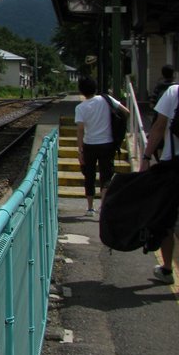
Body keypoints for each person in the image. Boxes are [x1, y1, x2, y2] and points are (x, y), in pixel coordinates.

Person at [138, 81, 178, 285]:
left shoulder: (174, 91)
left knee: (166, 220)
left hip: (172, 166)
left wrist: (145, 158)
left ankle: (167, 269)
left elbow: (158, 127)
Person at [74, 75, 130, 217]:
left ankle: (90, 208)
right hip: (107, 144)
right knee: (106, 177)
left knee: (89, 176)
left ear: (81, 91)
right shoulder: (106, 99)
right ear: (95, 87)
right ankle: (103, 207)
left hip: (89, 145)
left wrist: (79, 151)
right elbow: (126, 112)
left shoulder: (80, 108)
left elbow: (80, 130)